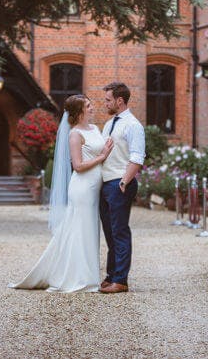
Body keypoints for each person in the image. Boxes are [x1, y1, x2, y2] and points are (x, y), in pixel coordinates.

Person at [9, 94, 113, 293]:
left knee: (90, 230)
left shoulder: (95, 129)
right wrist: (102, 156)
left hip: (95, 187)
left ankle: (90, 275)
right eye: (88, 106)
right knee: (80, 230)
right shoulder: (75, 134)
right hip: (82, 188)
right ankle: (78, 277)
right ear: (79, 111)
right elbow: (79, 166)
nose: (92, 108)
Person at [99, 82, 145, 294]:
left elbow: (137, 156)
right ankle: (111, 275)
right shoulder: (109, 124)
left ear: (120, 100)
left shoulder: (133, 125)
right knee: (109, 233)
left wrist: (124, 182)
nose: (105, 103)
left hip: (120, 183)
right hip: (105, 183)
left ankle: (121, 280)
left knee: (120, 232)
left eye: (108, 100)